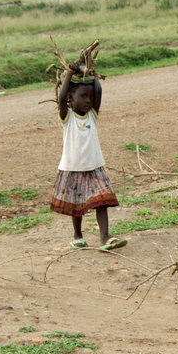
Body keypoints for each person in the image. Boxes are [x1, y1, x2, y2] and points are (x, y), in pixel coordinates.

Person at [50, 68, 127, 251]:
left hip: (94, 168)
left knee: (102, 202)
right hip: (72, 168)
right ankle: (78, 236)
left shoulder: (92, 114)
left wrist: (91, 73)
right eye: (83, 96)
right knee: (76, 206)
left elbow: (98, 91)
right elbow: (61, 98)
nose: (88, 100)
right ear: (71, 97)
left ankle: (105, 238)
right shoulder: (67, 117)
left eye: (90, 97)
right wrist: (70, 73)